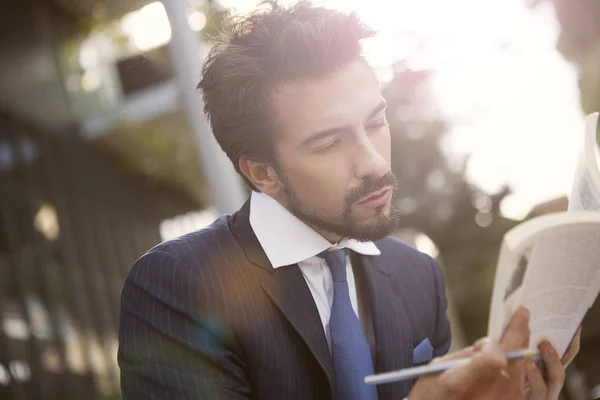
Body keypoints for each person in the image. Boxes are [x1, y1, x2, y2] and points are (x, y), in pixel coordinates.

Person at [118, 2, 579, 399]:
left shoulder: (420, 276)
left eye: (376, 122)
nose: (374, 162)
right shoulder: (175, 284)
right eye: (329, 143)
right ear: (263, 173)